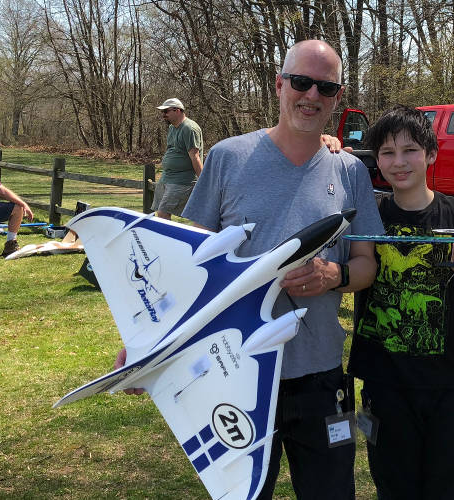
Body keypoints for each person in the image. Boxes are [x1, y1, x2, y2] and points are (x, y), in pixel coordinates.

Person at [116, 40, 383, 499]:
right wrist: (147, 343)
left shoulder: (349, 171)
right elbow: (189, 267)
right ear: (279, 85)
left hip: (320, 375)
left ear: (337, 96)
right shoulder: (227, 157)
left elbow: (366, 265)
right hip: (232, 371)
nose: (311, 95)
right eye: (301, 82)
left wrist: (334, 276)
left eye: (325, 87)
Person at [347, 105, 454, 499]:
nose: (399, 162)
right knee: (394, 490)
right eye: (388, 152)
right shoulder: (368, 216)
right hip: (385, 385)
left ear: (430, 154)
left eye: (410, 150)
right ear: (377, 160)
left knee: (452, 491)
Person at [152, 97, 203, 220]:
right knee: (159, 213)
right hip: (167, 177)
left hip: (182, 180)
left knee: (163, 213)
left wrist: (203, 181)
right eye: (162, 112)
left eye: (166, 111)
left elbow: (195, 157)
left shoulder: (189, 128)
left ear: (177, 110)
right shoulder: (172, 128)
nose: (163, 115)